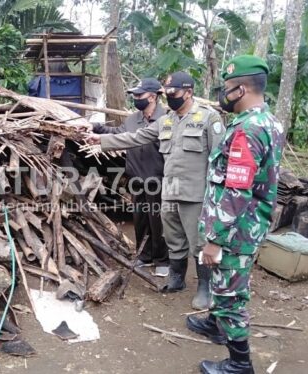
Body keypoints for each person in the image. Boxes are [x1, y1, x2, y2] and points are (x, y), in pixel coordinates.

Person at [85, 72, 224, 310]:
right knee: (173, 238)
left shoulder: (208, 118)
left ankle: (204, 288)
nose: (169, 97)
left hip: (195, 193)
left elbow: (219, 160)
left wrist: (216, 197)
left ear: (188, 92)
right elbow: (136, 137)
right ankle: (177, 279)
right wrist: (100, 140)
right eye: (167, 93)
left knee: (199, 242)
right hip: (168, 190)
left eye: (174, 93)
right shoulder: (166, 121)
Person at [187, 55, 284, 374]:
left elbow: (237, 189)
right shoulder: (268, 120)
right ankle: (216, 324)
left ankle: (240, 363)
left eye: (226, 88)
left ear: (240, 90)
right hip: (246, 224)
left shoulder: (248, 128)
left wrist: (215, 239)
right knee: (222, 281)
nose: (222, 95)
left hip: (236, 230)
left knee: (230, 294)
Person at [92, 78, 169, 277]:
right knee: (140, 217)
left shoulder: (167, 118)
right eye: (133, 95)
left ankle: (162, 259)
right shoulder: (133, 119)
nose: (135, 98)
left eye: (139, 95)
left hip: (158, 178)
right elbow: (118, 134)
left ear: (153, 96)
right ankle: (145, 255)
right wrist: (97, 128)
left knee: (158, 220)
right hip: (136, 176)